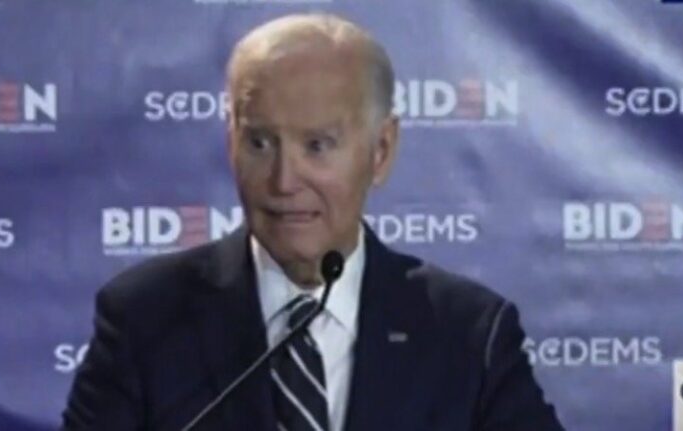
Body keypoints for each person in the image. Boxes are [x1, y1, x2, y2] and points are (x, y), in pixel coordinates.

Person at [62, 13, 564, 431]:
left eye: (317, 146)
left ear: (381, 150)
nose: (284, 181)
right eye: (260, 143)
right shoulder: (145, 319)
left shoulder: (468, 335)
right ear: (230, 141)